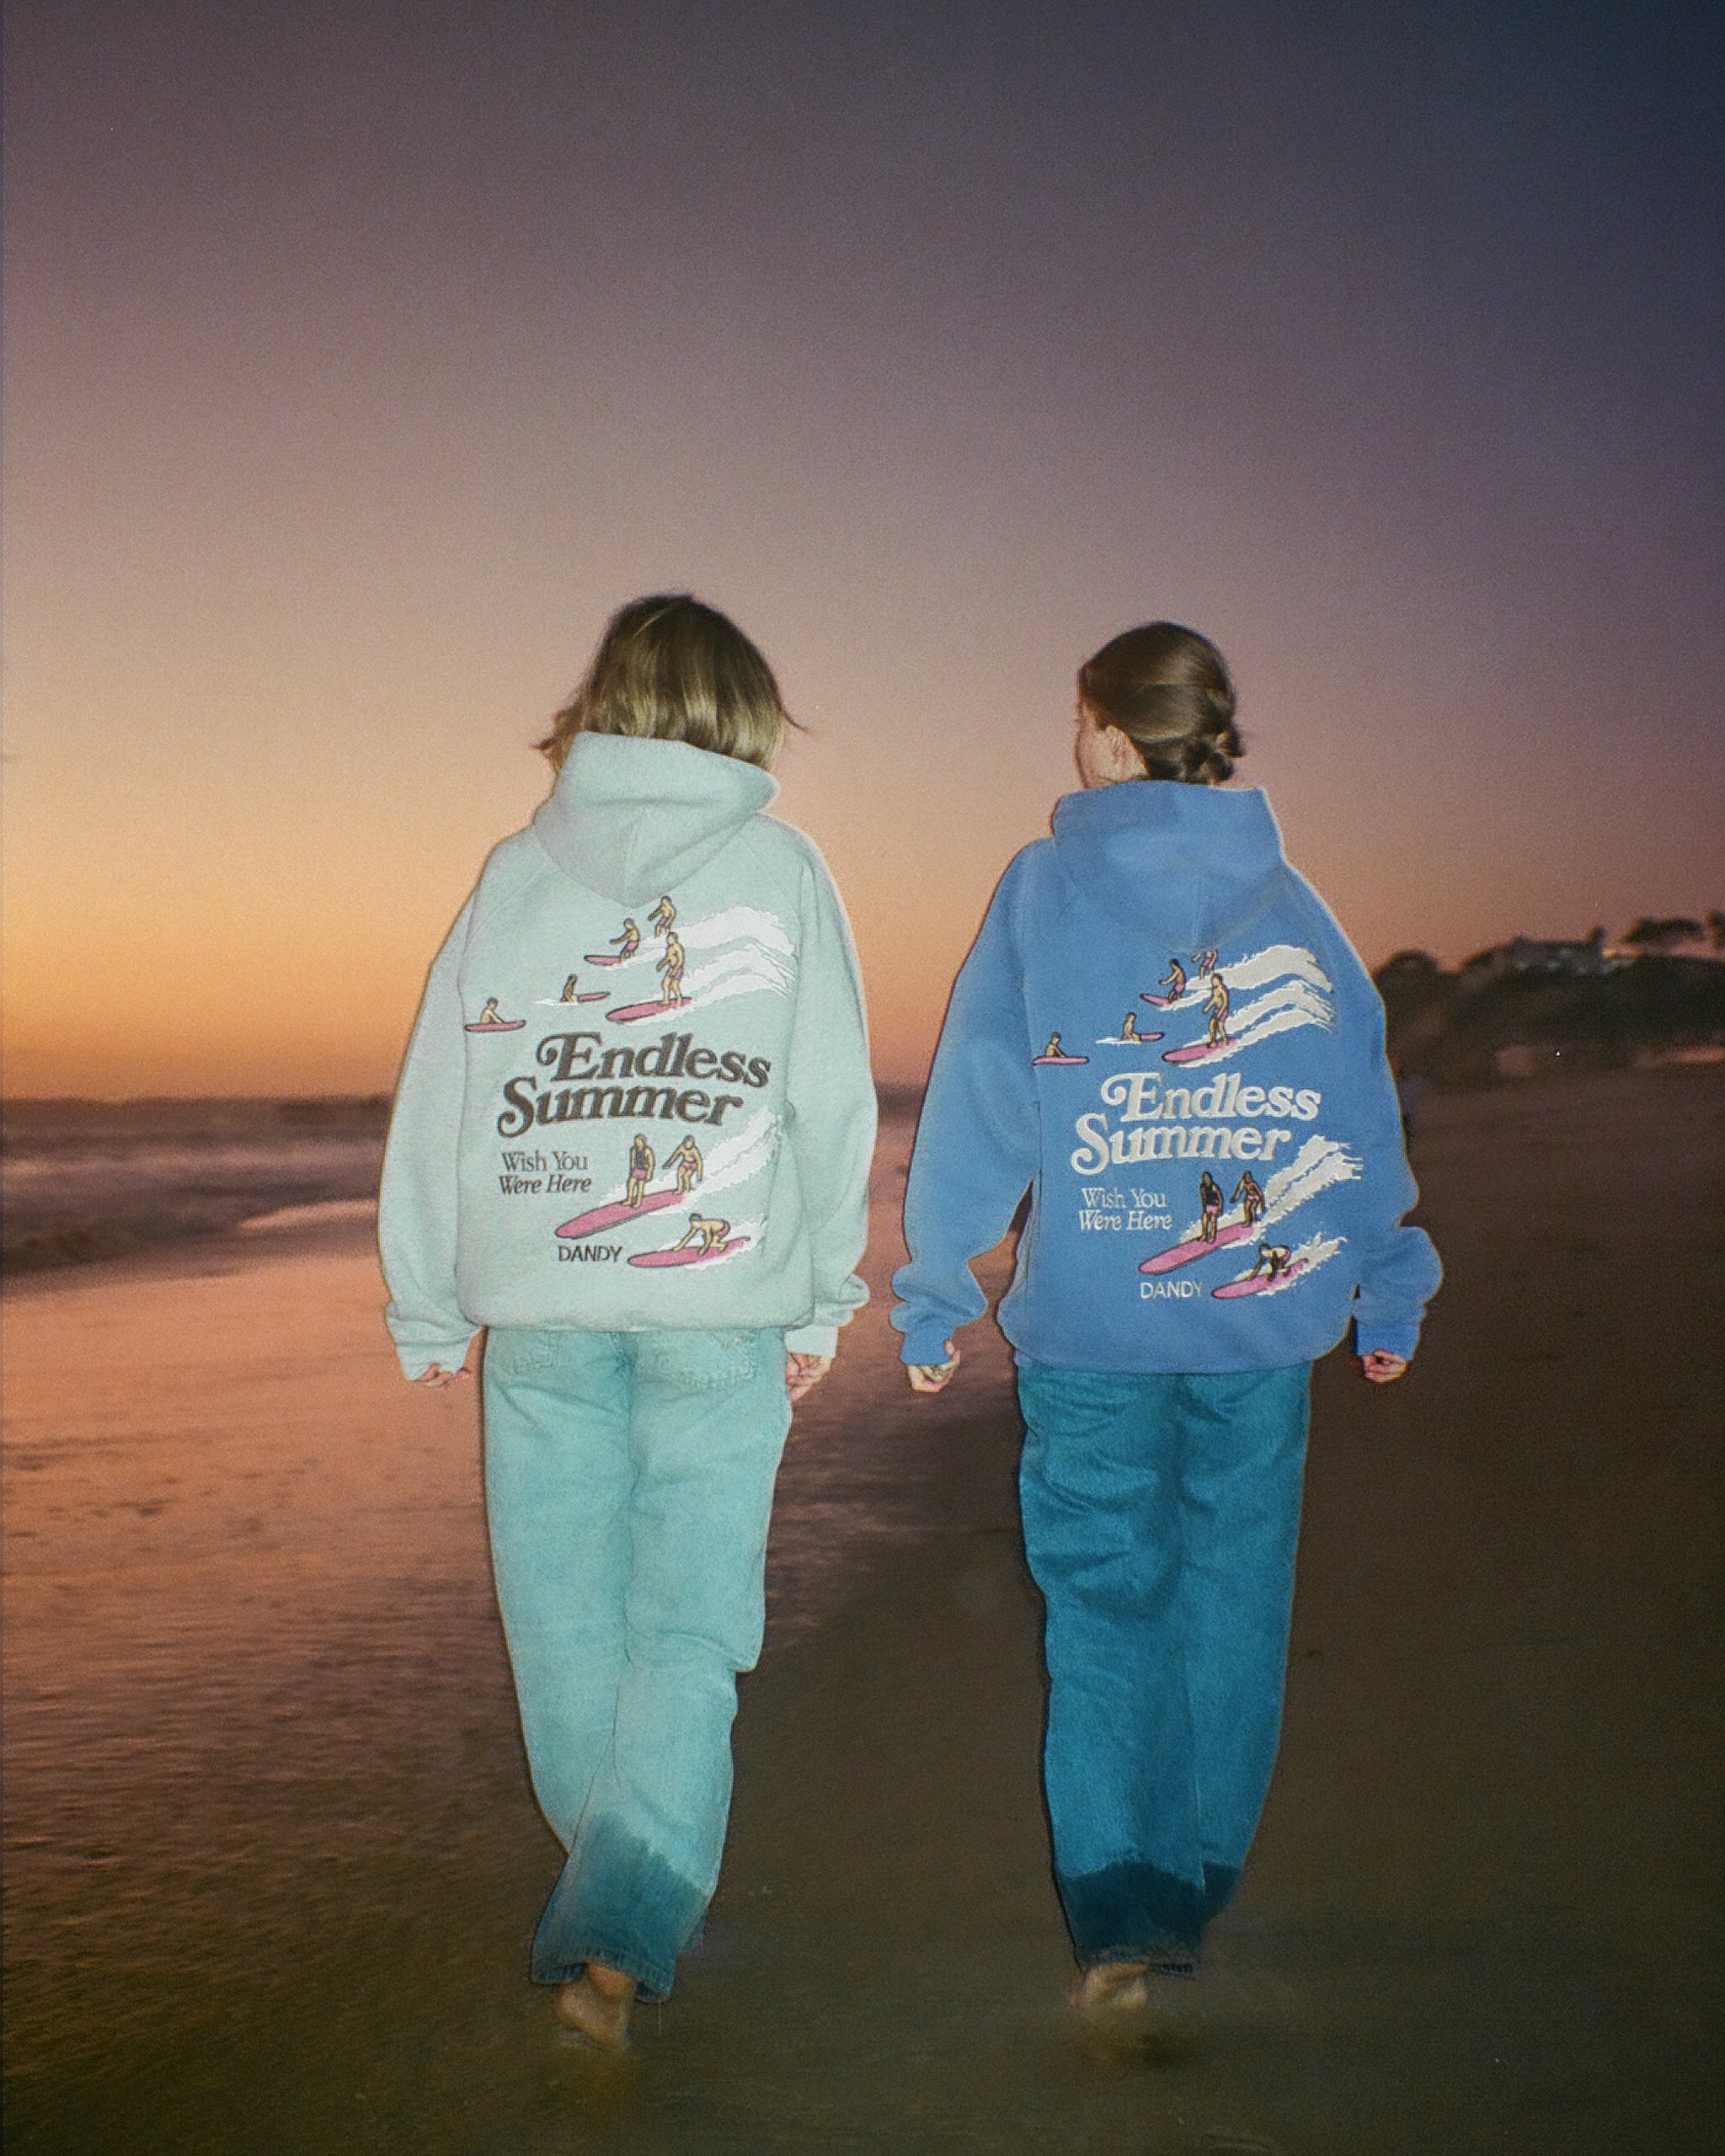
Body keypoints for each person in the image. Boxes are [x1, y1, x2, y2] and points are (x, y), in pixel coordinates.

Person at [892, 619, 1439, 2015]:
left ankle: (1124, 1908)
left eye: (1078, 723)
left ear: (1113, 738)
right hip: (1259, 1332)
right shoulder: (1297, 905)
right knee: (1232, 1599)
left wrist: (940, 1285)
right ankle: (1195, 1876)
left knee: (1107, 1607)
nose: (1070, 749)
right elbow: (1352, 1101)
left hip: (1091, 1332)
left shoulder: (1041, 886)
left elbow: (984, 1097)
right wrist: (1387, 1275)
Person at [380, 593, 875, 2047]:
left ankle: (612, 1882)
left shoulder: (514, 876)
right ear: (745, 716)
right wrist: (828, 1282)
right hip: (719, 1314)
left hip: (541, 1318)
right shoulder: (783, 874)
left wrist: (425, 1296)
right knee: (688, 1627)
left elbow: (440, 1098)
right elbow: (830, 1103)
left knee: (563, 1620)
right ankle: (628, 1895)